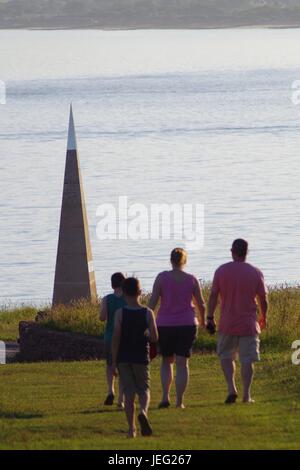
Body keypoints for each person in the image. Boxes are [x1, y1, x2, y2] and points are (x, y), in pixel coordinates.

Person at [207, 239, 268, 404]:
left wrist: (210, 317)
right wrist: (264, 316)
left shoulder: (221, 270)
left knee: (226, 356)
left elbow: (213, 296)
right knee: (247, 359)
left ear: (232, 251)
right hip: (248, 324)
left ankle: (231, 388)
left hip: (227, 323)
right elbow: (263, 298)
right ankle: (246, 395)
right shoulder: (255, 272)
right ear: (247, 252)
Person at [148, 248, 206, 409]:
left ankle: (165, 397)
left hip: (165, 325)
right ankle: (179, 401)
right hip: (187, 324)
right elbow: (201, 303)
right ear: (184, 261)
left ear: (171, 260)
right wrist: (203, 321)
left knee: (167, 361)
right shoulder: (192, 279)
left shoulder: (161, 278)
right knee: (182, 363)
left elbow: (152, 302)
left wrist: (146, 320)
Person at [112, 277, 158, 439]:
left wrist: (113, 362)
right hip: (141, 356)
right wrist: (146, 333)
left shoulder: (120, 314)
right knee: (144, 389)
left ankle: (131, 429)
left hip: (124, 357)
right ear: (140, 292)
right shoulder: (148, 313)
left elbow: (116, 338)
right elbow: (154, 337)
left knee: (128, 393)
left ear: (123, 293)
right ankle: (143, 412)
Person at [100, 272, 126, 407]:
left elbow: (102, 317)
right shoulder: (128, 299)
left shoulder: (107, 299)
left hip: (110, 337)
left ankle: (111, 390)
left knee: (110, 364)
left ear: (112, 284)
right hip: (125, 338)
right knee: (123, 367)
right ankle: (121, 399)